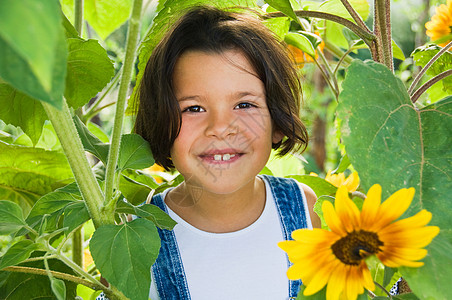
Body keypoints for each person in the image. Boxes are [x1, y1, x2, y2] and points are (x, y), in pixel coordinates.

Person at [98, 5, 320, 300]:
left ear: (277, 122)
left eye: (244, 105)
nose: (220, 127)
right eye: (194, 108)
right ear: (162, 125)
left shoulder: (305, 211)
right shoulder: (132, 239)